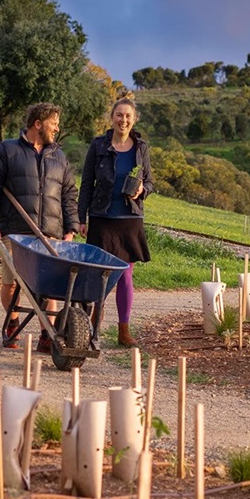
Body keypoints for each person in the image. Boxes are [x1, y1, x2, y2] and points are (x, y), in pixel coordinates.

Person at [0, 102, 78, 350]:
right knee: (12, 283)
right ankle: (13, 321)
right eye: (53, 123)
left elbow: (68, 194)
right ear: (38, 123)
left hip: (50, 232)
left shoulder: (59, 157)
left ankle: (48, 335)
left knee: (50, 288)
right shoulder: (7, 151)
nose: (57, 128)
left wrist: (71, 227)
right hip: (17, 231)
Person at [77, 98, 154, 348]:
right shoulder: (98, 145)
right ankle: (91, 327)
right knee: (98, 275)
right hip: (101, 217)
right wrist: (81, 217)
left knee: (125, 276)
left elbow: (151, 183)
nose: (123, 120)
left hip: (129, 220)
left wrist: (142, 190)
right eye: (119, 115)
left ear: (134, 119)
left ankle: (123, 331)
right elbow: (87, 183)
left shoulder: (141, 148)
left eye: (128, 116)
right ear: (112, 117)